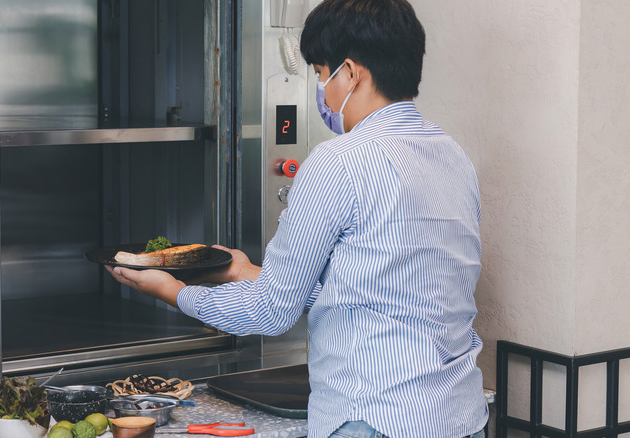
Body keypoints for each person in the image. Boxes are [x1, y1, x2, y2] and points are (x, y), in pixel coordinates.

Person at [106, 0, 488, 436]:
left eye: (322, 73)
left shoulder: (338, 162)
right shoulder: (453, 157)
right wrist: (246, 272)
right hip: (460, 416)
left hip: (374, 416)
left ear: (350, 73)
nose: (321, 89)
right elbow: (381, 293)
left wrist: (174, 292)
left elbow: (271, 312)